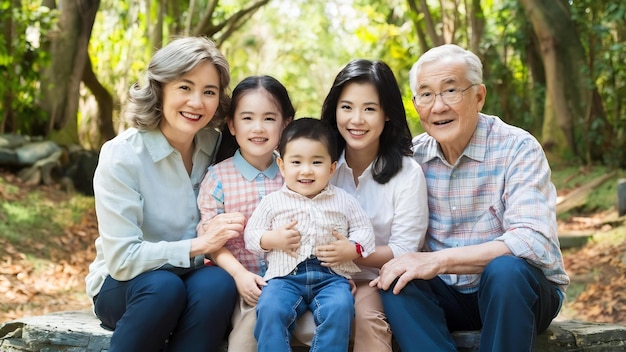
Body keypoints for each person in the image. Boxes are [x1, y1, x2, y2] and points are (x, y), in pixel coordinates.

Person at [372, 44, 570, 352]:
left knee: (505, 270)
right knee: (397, 280)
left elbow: (532, 240)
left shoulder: (517, 148)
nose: (438, 106)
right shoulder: (411, 159)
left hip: (517, 294)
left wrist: (437, 261)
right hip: (450, 297)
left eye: (450, 90)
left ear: (479, 96)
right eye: (426, 95)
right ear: (415, 104)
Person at [85, 36, 238, 352]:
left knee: (219, 284)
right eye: (185, 87)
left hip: (191, 280)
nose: (197, 102)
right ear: (161, 88)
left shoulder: (215, 145)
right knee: (164, 287)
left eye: (209, 92)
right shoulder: (122, 155)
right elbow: (123, 260)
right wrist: (200, 245)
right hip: (126, 285)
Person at [312, 59, 429, 352]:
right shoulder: (318, 164)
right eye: (347, 107)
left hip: (376, 282)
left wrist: (354, 254)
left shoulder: (406, 173)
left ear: (387, 113)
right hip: (318, 276)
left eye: (369, 109)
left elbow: (404, 249)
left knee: (365, 317)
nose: (356, 120)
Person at [244, 117, 377, 352]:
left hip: (331, 276)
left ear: (332, 168)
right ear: (283, 166)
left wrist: (352, 248)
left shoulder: (344, 200)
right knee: (270, 309)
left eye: (316, 162)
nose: (306, 170)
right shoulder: (273, 202)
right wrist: (271, 239)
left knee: (340, 307)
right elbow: (251, 235)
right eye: (296, 162)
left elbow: (364, 230)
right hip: (284, 276)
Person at [196, 75, 295, 351]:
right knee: (249, 332)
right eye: (247, 118)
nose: (258, 128)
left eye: (269, 118)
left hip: (294, 282)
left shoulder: (296, 173)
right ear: (231, 124)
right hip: (244, 284)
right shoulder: (218, 178)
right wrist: (240, 275)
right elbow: (211, 242)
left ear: (285, 123)